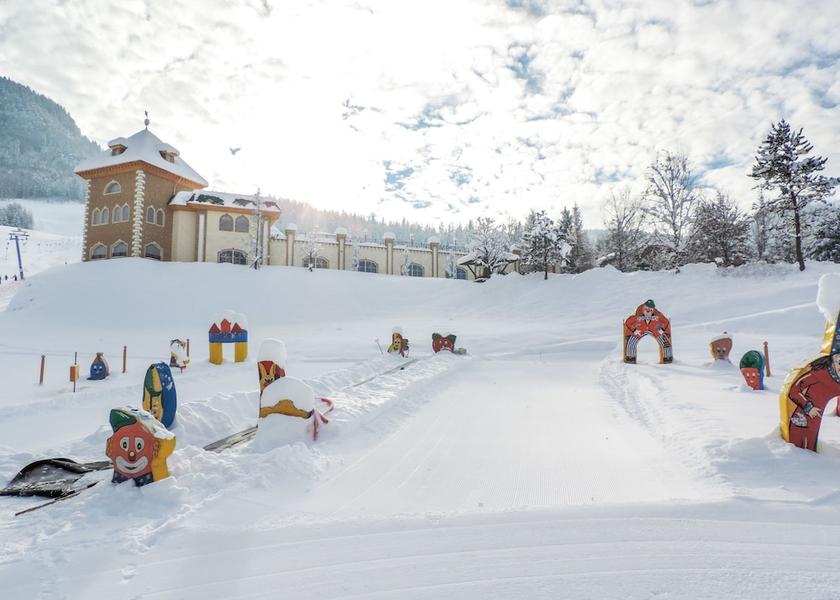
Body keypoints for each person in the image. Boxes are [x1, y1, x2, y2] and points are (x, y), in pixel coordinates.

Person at [785, 351, 840, 451]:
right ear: (833, 361)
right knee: (801, 452)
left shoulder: (837, 381)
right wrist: (808, 407)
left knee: (810, 450)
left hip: (814, 425)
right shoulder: (819, 373)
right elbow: (793, 390)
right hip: (802, 421)